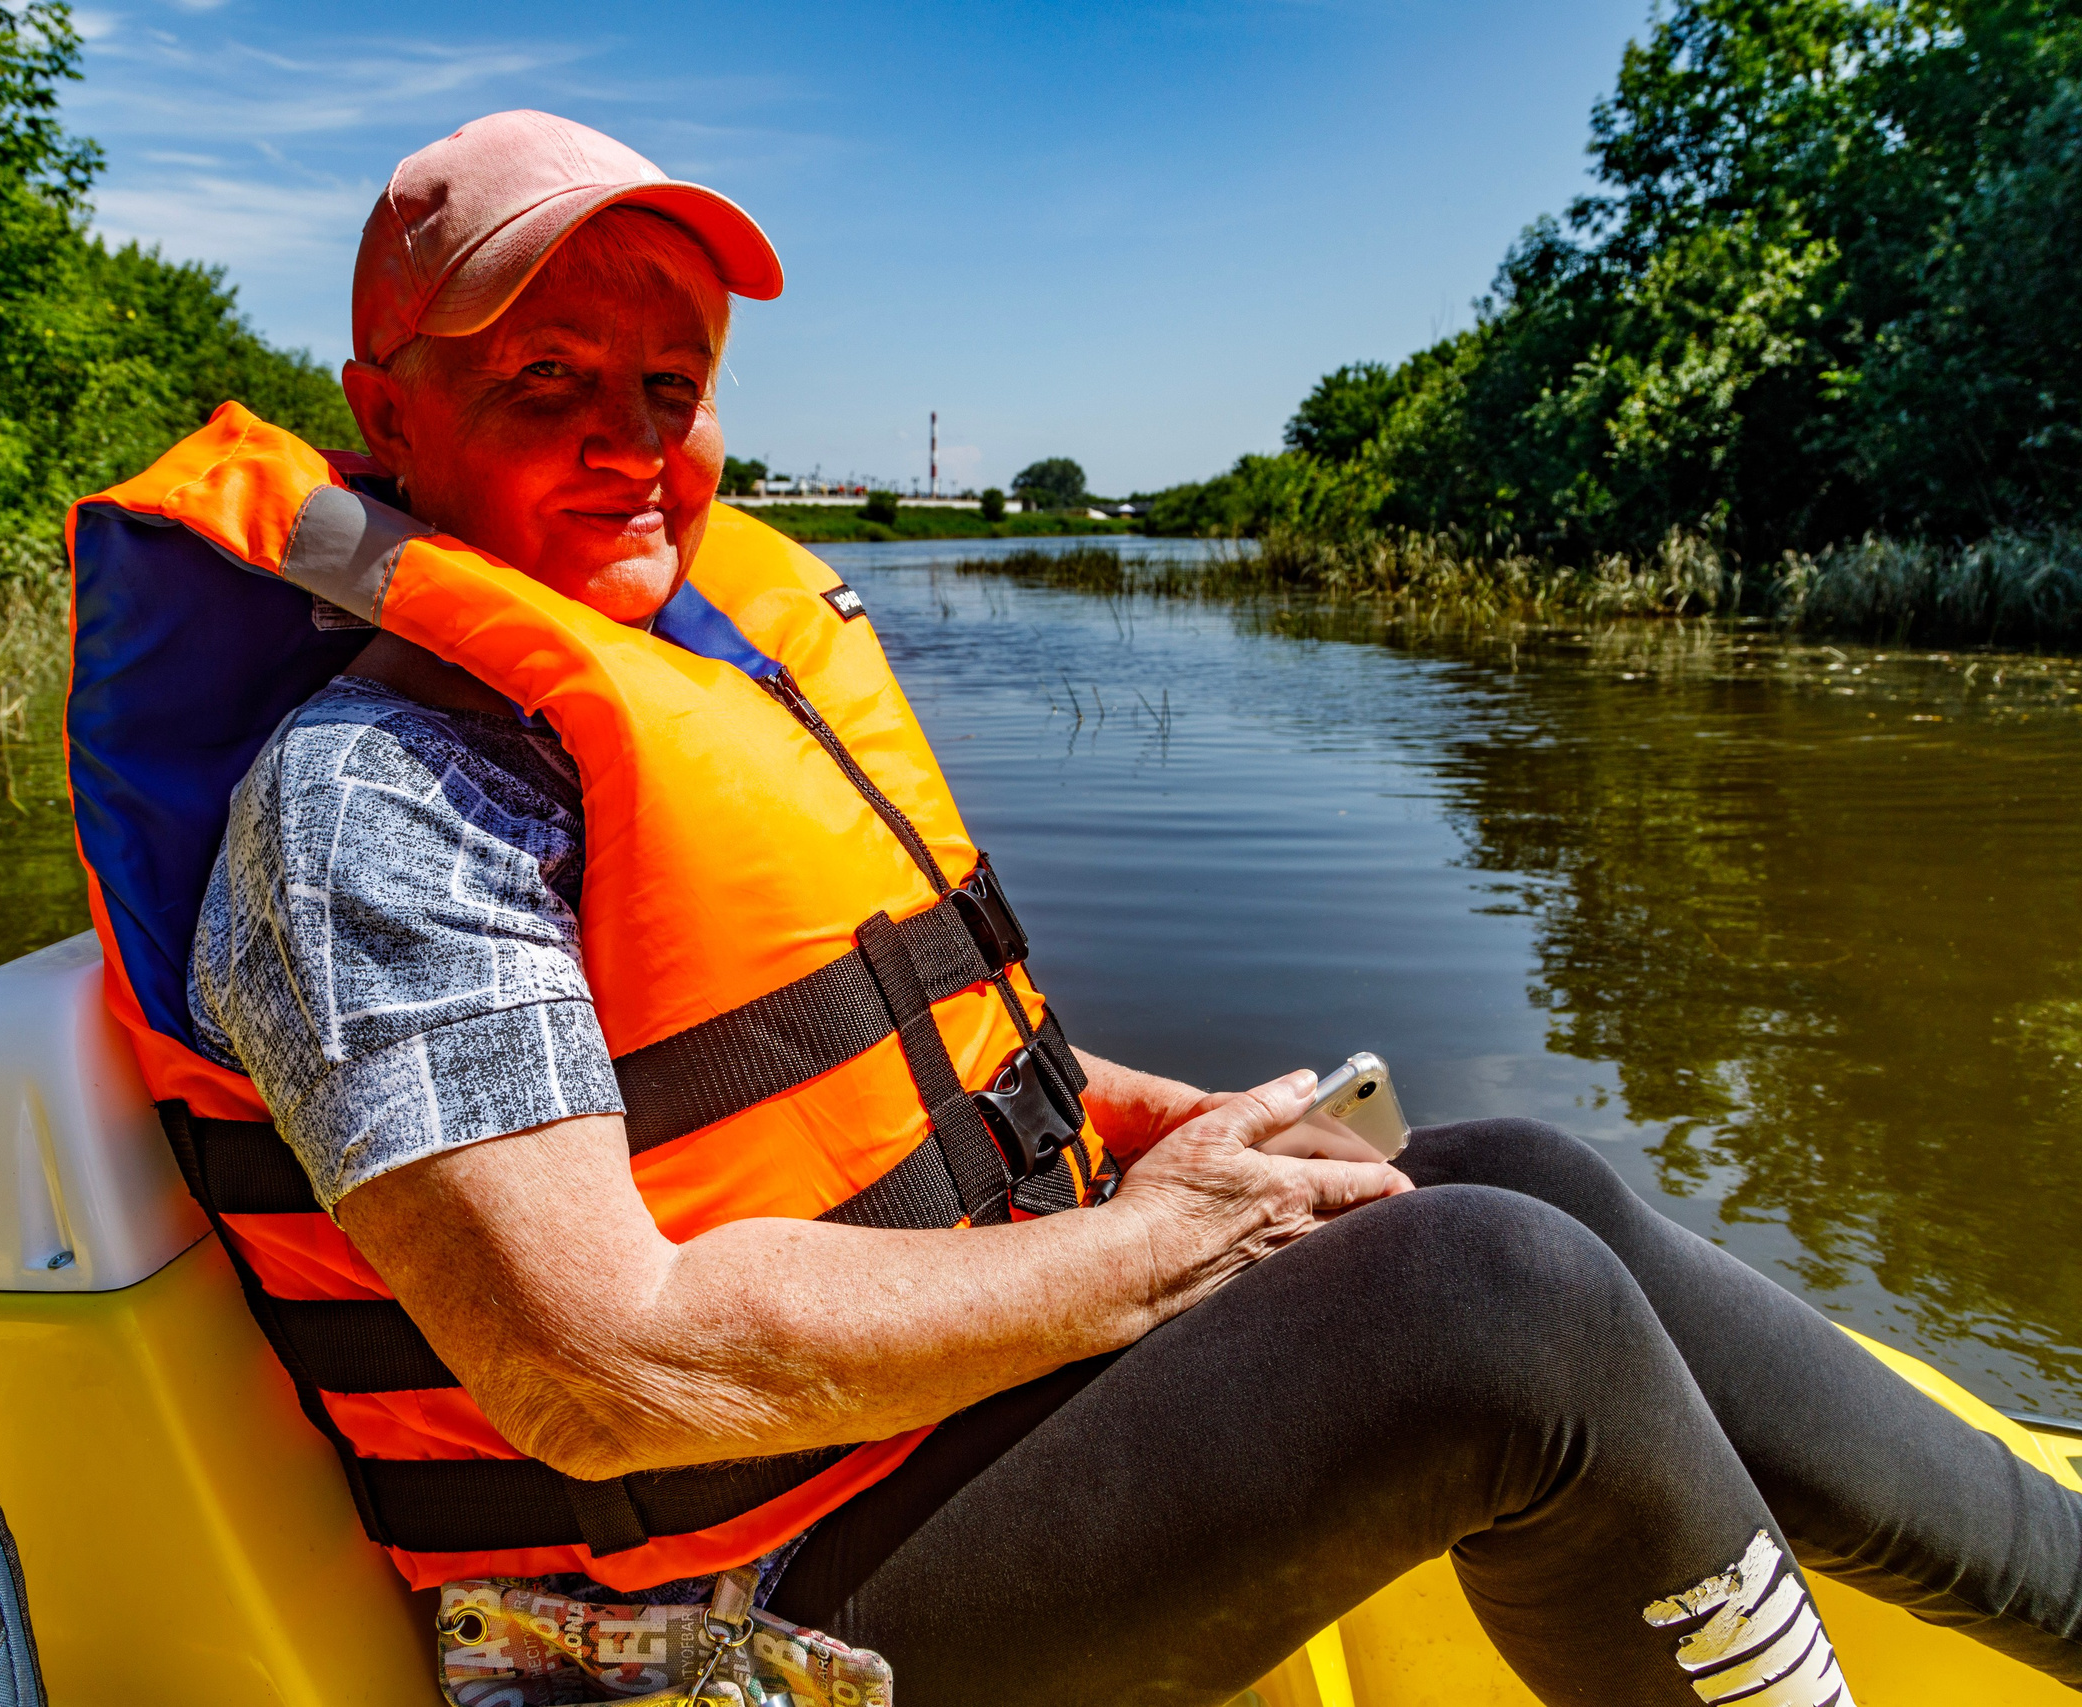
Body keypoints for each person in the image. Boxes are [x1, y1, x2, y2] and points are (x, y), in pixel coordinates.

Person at [161, 110, 2082, 1705]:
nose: (631, 442)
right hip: (668, 1647)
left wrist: (1164, 1138)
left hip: (893, 1450)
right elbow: (598, 1365)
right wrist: (1151, 1252)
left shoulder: (680, 661)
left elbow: (840, 1070)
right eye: (544, 379)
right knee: (1489, 1307)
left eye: (671, 388)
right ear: (385, 413)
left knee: (1495, 1180)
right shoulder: (376, 802)